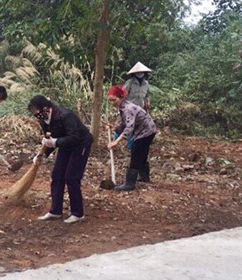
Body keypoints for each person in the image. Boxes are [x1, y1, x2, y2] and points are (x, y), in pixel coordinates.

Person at [28, 95, 93, 224]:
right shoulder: (43, 120)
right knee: (57, 176)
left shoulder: (65, 115)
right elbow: (49, 139)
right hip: (65, 145)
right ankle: (55, 211)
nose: (37, 117)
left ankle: (78, 213)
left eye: (37, 113)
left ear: (46, 109)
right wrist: (41, 155)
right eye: (34, 115)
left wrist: (55, 142)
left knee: (71, 177)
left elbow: (74, 137)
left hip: (80, 144)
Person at [107, 85, 157, 191]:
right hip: (142, 131)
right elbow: (122, 123)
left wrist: (116, 141)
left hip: (146, 131)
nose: (112, 103)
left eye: (114, 100)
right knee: (142, 153)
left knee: (136, 153)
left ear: (121, 98)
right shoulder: (121, 107)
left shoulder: (128, 108)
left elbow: (129, 127)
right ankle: (144, 176)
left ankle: (130, 184)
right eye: (110, 100)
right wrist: (114, 127)